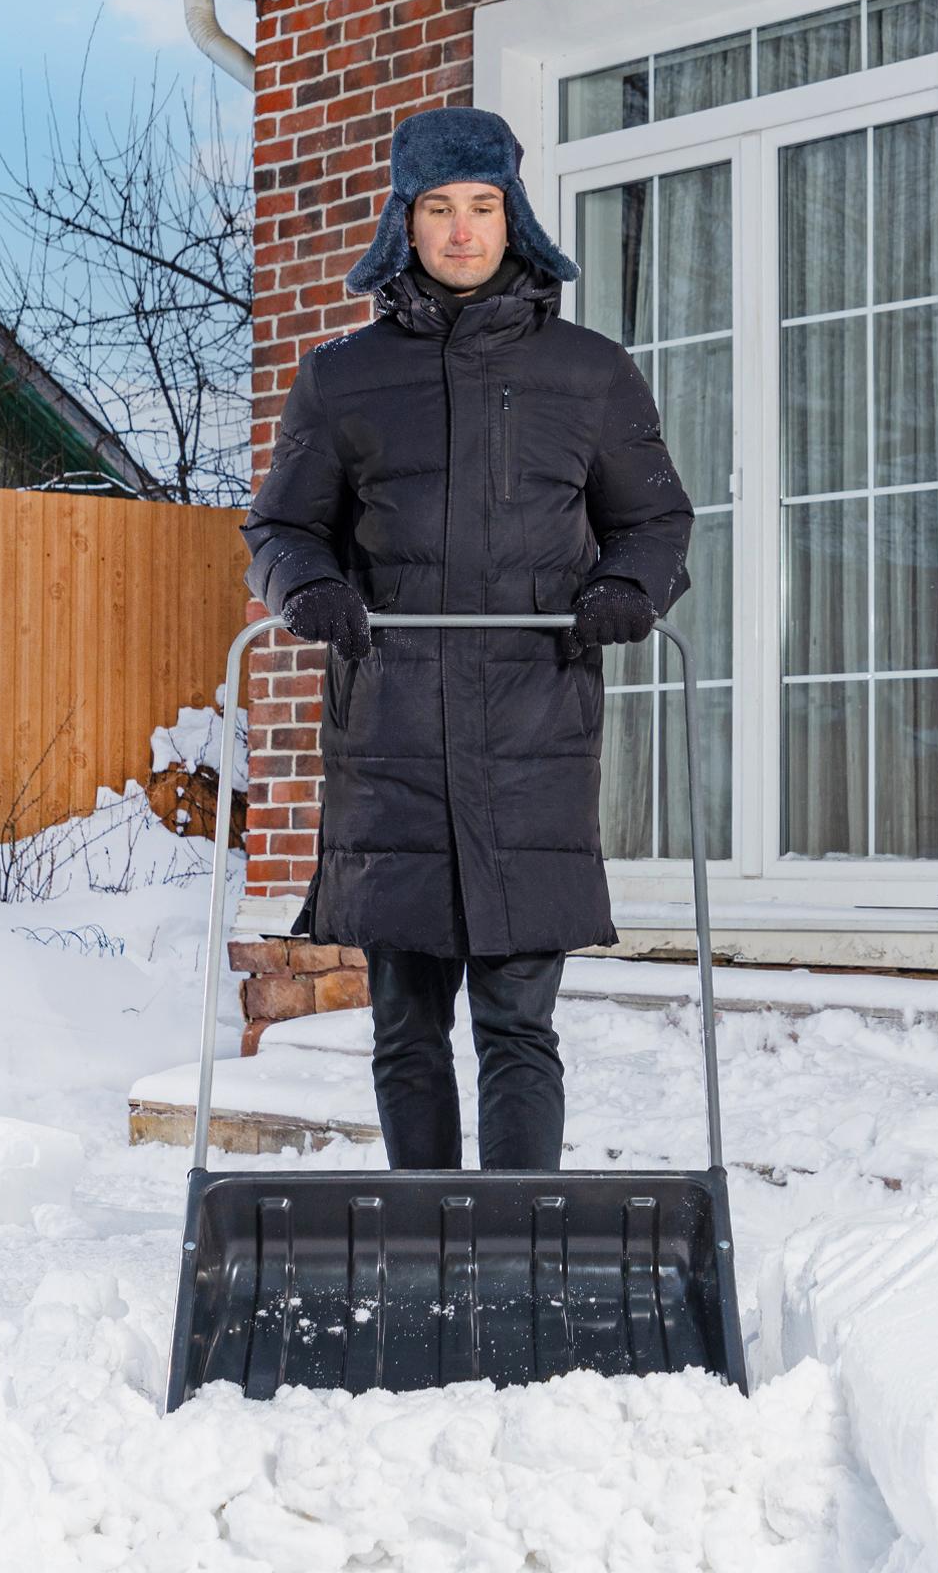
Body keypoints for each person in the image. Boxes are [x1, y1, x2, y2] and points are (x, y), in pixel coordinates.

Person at [241, 105, 693, 1173]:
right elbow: (279, 527)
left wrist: (629, 585)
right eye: (436, 207)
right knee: (404, 1029)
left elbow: (655, 518)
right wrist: (307, 588)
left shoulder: (588, 373)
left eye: (481, 206)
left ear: (513, 216)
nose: (459, 231)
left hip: (531, 731)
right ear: (404, 220)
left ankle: (517, 1239)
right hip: (390, 735)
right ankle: (426, 1234)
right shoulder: (341, 378)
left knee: (519, 1025)